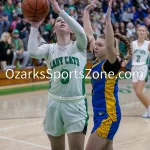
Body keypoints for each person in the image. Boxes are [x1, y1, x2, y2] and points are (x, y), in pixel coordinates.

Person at [27, 0, 88, 150]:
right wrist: (34, 27)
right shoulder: (49, 48)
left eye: (65, 21)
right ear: (53, 30)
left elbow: (80, 31)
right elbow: (33, 52)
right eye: (58, 21)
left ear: (71, 29)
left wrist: (60, 12)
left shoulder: (79, 46)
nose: (62, 21)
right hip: (53, 104)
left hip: (75, 104)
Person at [83, 0, 130, 149]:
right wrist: (85, 12)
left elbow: (110, 45)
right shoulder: (97, 59)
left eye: (99, 45)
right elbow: (89, 34)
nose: (95, 46)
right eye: (96, 44)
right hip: (100, 115)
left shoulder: (111, 65)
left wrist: (108, 21)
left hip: (108, 116)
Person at [131, 25, 150, 118]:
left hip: (143, 67)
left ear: (146, 33)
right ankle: (148, 108)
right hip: (134, 68)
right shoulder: (133, 43)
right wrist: (124, 61)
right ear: (137, 32)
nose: (141, 32)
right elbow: (129, 55)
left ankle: (149, 108)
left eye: (143, 30)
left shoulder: (148, 44)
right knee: (135, 89)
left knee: (139, 92)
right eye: (140, 30)